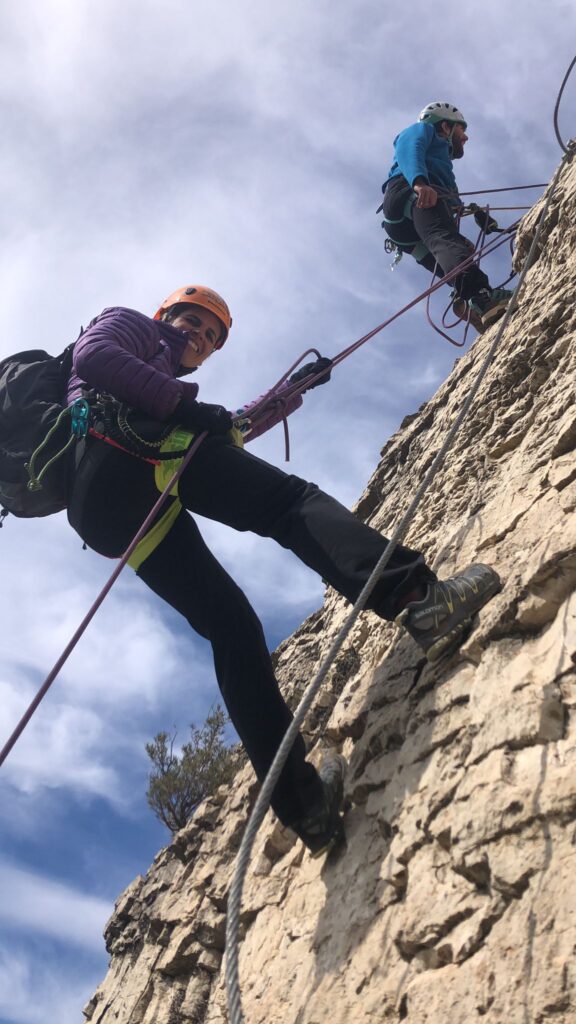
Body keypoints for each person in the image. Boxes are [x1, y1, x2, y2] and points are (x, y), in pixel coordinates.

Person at [66, 284, 501, 856]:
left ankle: (306, 808)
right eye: (193, 321)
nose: (200, 336)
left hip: (106, 509)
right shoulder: (135, 328)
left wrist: (292, 391)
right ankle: (419, 599)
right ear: (166, 314)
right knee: (289, 505)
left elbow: (230, 427)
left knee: (233, 627)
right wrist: (184, 408)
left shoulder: (163, 383)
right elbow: (94, 355)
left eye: (211, 337)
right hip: (133, 448)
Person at [380, 101, 513, 329]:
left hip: (403, 229)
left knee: (450, 254)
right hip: (409, 193)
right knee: (445, 240)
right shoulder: (423, 130)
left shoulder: (442, 168)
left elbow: (449, 204)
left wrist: (463, 227)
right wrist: (419, 183)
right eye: (461, 129)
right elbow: (409, 148)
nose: (466, 137)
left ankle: (469, 300)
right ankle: (481, 296)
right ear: (445, 126)